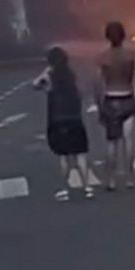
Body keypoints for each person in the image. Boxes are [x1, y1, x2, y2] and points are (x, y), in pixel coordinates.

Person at [33, 47, 93, 201]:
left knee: (64, 157)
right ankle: (87, 187)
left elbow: (36, 85)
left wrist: (46, 71)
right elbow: (82, 92)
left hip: (58, 119)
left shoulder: (50, 77)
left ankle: (65, 189)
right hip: (74, 117)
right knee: (80, 154)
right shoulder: (71, 75)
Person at [94, 21, 135, 190]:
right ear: (123, 36)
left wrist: (99, 105)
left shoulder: (102, 58)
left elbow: (98, 83)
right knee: (128, 141)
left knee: (111, 143)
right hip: (127, 98)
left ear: (108, 37)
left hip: (110, 99)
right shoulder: (132, 55)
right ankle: (130, 178)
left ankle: (111, 181)